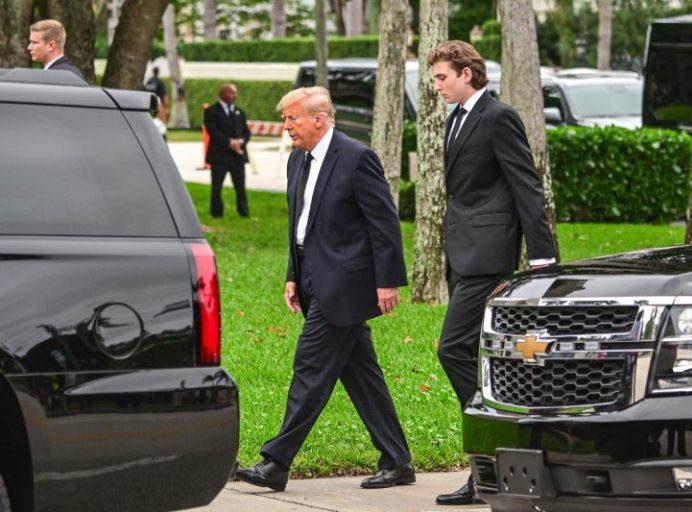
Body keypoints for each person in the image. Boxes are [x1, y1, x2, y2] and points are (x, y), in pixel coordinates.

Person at [236, 86, 414, 491]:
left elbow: (383, 225)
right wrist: (292, 274)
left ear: (319, 119)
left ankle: (276, 462)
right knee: (363, 377)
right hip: (314, 278)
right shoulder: (297, 161)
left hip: (347, 284)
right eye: (285, 119)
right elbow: (299, 226)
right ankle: (398, 460)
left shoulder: (356, 158)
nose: (286, 127)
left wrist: (387, 281)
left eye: (292, 119)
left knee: (310, 368)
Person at [428, 40, 557, 505]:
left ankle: (489, 450)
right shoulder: (455, 118)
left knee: (454, 348)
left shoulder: (498, 116)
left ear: (468, 73)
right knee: (479, 354)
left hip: (488, 254)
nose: (436, 85)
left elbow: (527, 184)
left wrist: (543, 257)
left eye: (442, 76)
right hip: (462, 252)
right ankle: (491, 466)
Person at [204, 83, 250, 218]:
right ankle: (216, 212)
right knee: (217, 186)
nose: (235, 95)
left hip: (237, 156)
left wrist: (240, 142)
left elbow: (246, 132)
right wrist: (229, 142)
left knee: (240, 186)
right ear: (223, 94)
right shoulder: (212, 111)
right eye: (231, 92)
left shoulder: (239, 112)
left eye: (235, 93)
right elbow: (213, 131)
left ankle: (244, 212)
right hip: (220, 156)